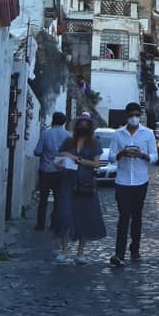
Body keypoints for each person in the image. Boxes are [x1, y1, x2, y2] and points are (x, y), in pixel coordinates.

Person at [108, 102, 158, 267]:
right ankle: (119, 253)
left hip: (140, 181)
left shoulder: (148, 134)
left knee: (136, 217)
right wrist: (122, 153)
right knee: (123, 217)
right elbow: (111, 157)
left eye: (137, 115)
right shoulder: (118, 134)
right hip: (122, 181)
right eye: (131, 115)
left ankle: (134, 249)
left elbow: (154, 156)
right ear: (126, 116)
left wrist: (142, 155)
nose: (134, 118)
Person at [54, 113, 106, 264]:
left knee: (84, 217)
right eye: (81, 123)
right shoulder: (68, 142)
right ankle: (64, 250)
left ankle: (80, 253)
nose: (83, 126)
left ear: (90, 127)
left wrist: (77, 159)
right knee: (65, 215)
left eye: (86, 124)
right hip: (67, 183)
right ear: (76, 126)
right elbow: (58, 159)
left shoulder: (94, 143)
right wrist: (59, 163)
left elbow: (96, 164)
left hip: (86, 184)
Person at [33, 112, 71, 232]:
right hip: (60, 171)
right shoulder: (67, 135)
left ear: (53, 120)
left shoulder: (46, 133)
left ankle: (40, 224)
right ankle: (55, 224)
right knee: (58, 199)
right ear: (64, 122)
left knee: (43, 199)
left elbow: (38, 151)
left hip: (46, 170)